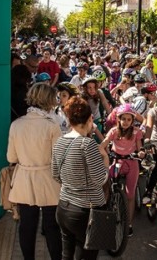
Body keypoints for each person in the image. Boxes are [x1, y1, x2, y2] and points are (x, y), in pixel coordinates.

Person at [8, 83, 62, 260]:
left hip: (24, 177)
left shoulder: (16, 125)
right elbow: (59, 158)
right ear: (48, 101)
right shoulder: (52, 126)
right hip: (49, 178)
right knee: (52, 225)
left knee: (27, 225)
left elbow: (11, 158)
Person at [52, 96, 109, 260]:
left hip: (64, 207)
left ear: (69, 119)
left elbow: (55, 174)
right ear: (90, 118)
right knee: (88, 255)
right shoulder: (88, 144)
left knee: (66, 255)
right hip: (86, 211)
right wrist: (105, 162)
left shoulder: (60, 141)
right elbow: (100, 179)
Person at [99, 104, 144, 236]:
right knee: (108, 186)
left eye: (129, 119)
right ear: (118, 119)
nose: (125, 122)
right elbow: (105, 142)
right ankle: (108, 209)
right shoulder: (113, 131)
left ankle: (129, 224)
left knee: (130, 195)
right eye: (123, 119)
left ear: (132, 120)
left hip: (131, 163)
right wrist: (100, 149)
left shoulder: (136, 132)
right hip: (116, 161)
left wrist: (141, 152)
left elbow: (140, 147)